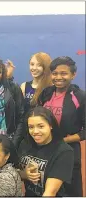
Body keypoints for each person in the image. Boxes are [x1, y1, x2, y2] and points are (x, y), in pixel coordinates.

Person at [38, 56, 86, 196]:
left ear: (73, 75)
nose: (58, 77)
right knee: (48, 189)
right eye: (55, 73)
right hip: (45, 151)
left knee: (70, 191)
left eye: (63, 73)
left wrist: (62, 141)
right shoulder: (46, 93)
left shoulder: (80, 97)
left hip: (69, 151)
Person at [18, 106, 74, 196]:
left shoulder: (64, 151)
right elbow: (15, 172)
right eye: (31, 127)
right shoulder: (25, 144)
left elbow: (50, 193)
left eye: (41, 126)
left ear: (50, 125)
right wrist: (25, 174)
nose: (35, 131)